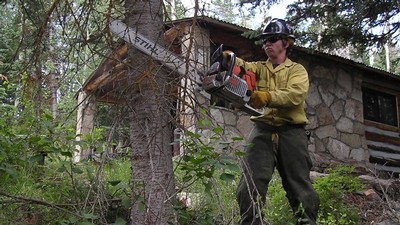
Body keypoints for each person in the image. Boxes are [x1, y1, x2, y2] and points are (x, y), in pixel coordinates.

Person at [223, 18, 320, 225]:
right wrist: (230, 59)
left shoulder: (297, 71)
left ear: (286, 42)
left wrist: (268, 97)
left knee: (300, 188)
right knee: (248, 186)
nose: (267, 44)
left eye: (273, 39)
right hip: (263, 129)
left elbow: (295, 95)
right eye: (265, 40)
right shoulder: (259, 68)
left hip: (292, 132)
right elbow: (244, 67)